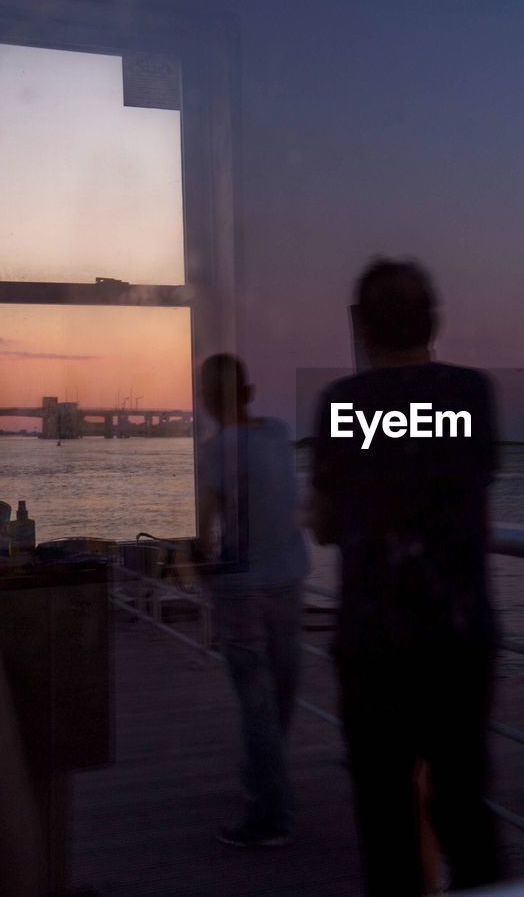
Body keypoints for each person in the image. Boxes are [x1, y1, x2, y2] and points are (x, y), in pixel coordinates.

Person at [308, 257, 502, 894]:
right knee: (465, 807)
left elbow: (327, 525)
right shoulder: (471, 394)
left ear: (363, 327)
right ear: (434, 321)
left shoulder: (342, 404)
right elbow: (478, 506)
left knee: (386, 818)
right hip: (459, 635)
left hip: (374, 645)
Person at [197, 353, 309, 847]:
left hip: (241, 589)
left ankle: (272, 814)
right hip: (289, 581)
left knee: (256, 704)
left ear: (204, 400)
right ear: (250, 391)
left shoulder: (215, 450)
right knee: (279, 698)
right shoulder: (280, 434)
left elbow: (202, 533)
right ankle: (263, 781)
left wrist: (204, 576)